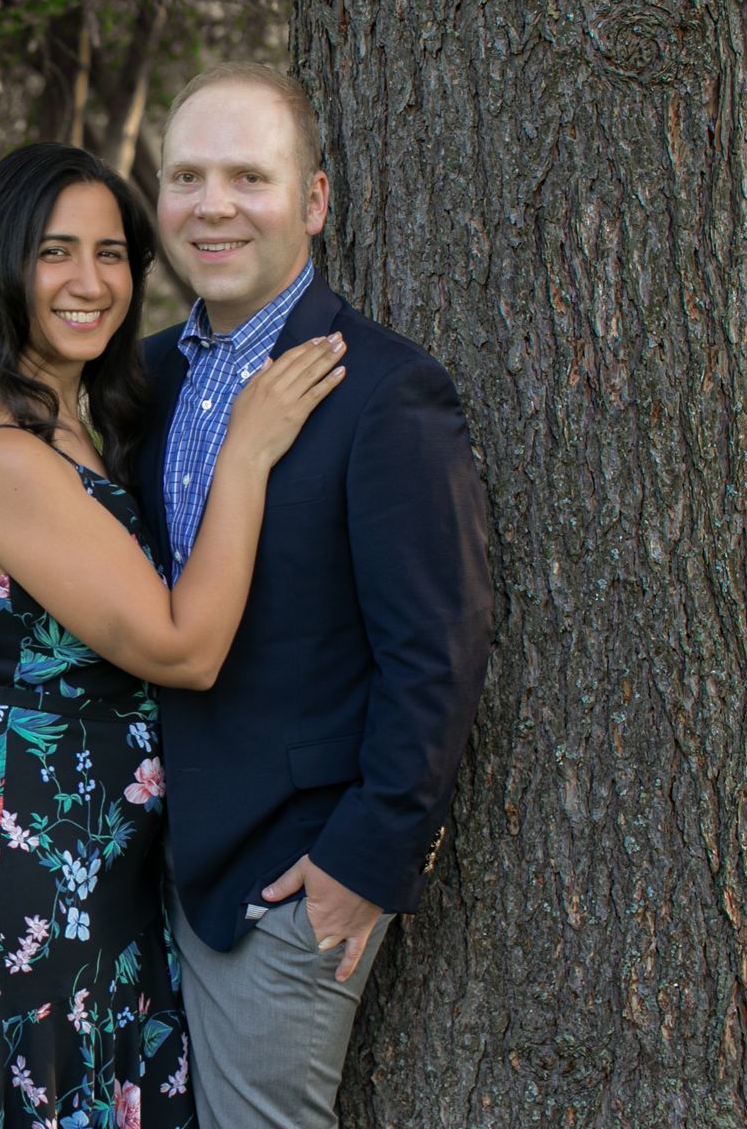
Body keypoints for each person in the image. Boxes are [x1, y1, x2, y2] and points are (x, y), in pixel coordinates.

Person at [0, 142, 349, 1129]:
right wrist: (247, 452)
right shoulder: (5, 454)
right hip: (11, 900)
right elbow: (183, 647)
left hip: (91, 891)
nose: (92, 281)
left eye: (113, 252)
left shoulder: (71, 417)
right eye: (56, 252)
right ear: (0, 264)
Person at [135, 62, 494, 1128]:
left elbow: (441, 646)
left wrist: (364, 858)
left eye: (250, 175)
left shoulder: (384, 391)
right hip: (140, 853)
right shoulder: (142, 378)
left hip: (286, 876)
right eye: (187, 174)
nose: (214, 204)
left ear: (316, 199)